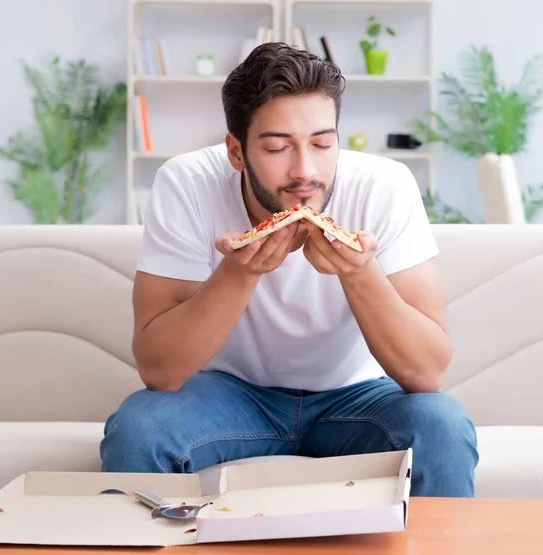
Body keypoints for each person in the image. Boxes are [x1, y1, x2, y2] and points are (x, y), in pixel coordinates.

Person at [100, 42, 478, 497]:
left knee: (442, 424)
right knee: (140, 426)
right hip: (231, 395)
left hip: (356, 398)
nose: (306, 171)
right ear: (236, 152)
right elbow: (159, 371)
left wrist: (359, 274)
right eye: (278, 147)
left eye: (322, 144)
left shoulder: (385, 185)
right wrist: (236, 275)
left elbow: (428, 374)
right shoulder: (187, 183)